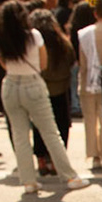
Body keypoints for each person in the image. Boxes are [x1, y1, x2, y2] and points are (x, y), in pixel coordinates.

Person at [0, 4, 91, 195]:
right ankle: (69, 176)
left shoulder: (1, 38)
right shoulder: (34, 35)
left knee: (20, 135)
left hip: (10, 85)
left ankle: (29, 181)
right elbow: (43, 64)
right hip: (32, 84)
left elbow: (2, 63)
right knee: (50, 132)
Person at [31, 9, 77, 162]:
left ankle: (41, 160)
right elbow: (71, 61)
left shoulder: (33, 43)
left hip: (39, 89)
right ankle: (57, 160)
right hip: (61, 89)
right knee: (61, 125)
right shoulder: (63, 43)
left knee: (38, 126)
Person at [75, 0, 102, 169]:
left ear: (95, 13)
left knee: (90, 120)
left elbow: (82, 63)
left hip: (88, 81)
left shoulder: (84, 34)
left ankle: (93, 154)